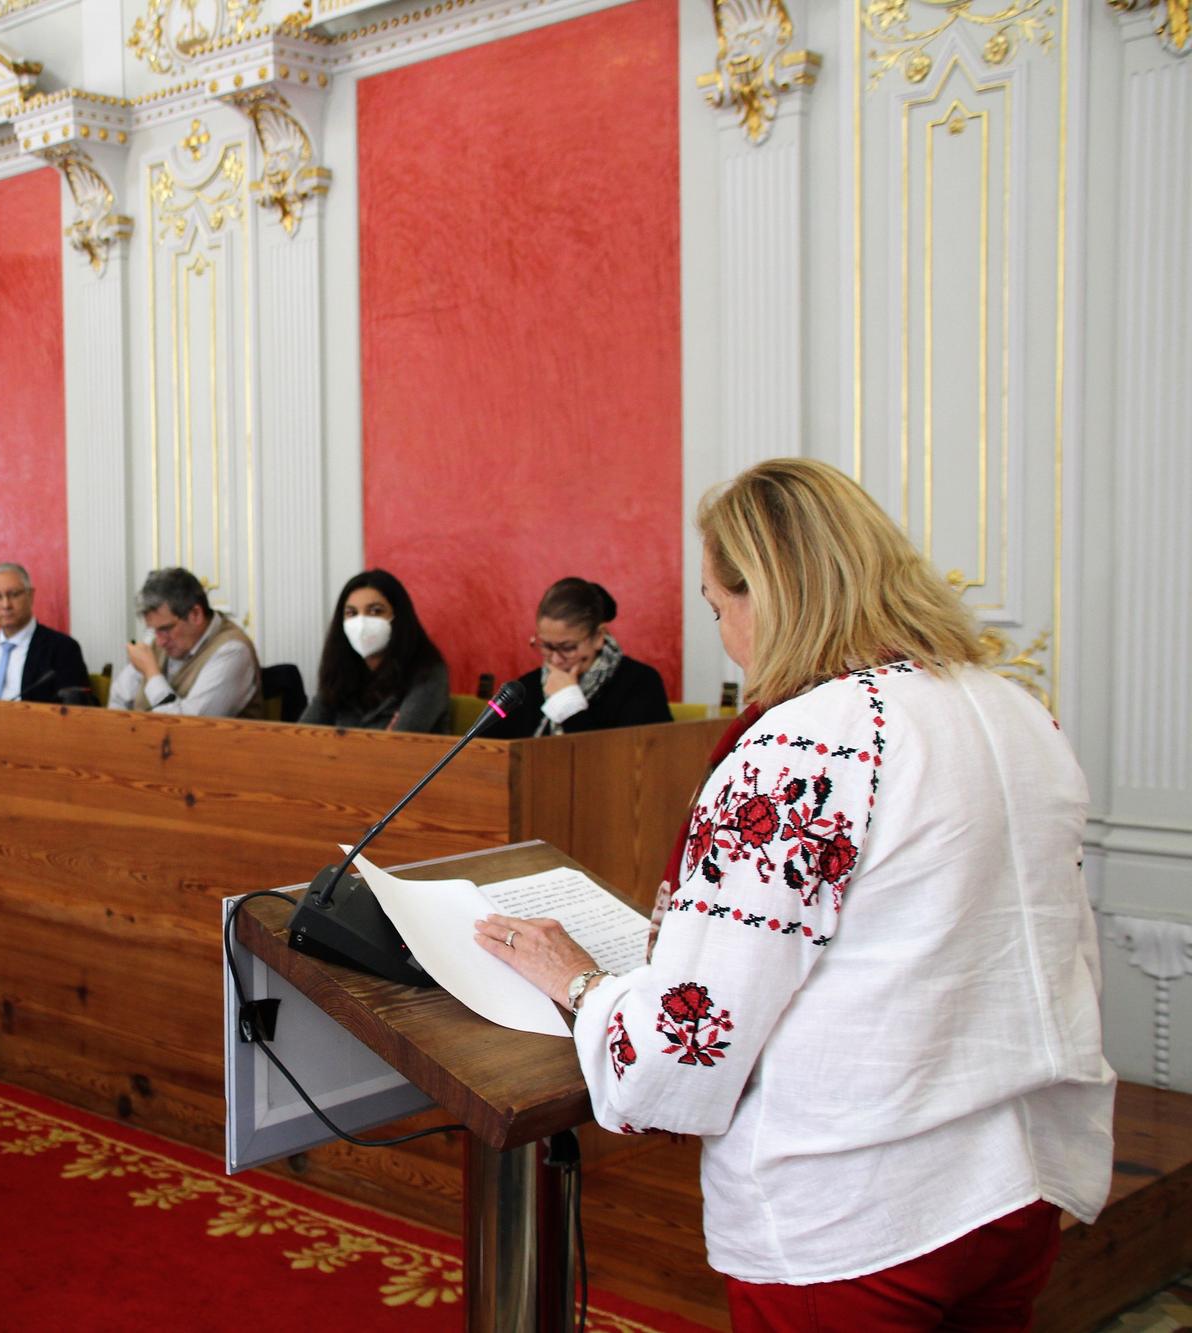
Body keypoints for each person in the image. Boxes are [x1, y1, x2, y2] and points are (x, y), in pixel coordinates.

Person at [473, 459, 1113, 1329]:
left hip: (860, 1209)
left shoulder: (808, 744)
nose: (728, 638)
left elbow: (683, 1047)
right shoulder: (1012, 710)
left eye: (718, 607)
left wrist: (582, 983)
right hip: (1013, 1176)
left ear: (765, 594)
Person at [483, 577, 672, 739]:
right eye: (547, 646)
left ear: (598, 637)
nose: (555, 660)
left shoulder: (639, 683)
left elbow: (626, 764)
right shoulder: (526, 689)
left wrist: (568, 706)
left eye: (568, 648)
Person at [297, 570, 450, 733]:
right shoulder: (340, 670)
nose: (361, 622)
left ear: (399, 617)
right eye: (352, 613)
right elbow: (302, 734)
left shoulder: (429, 672)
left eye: (375, 611)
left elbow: (399, 745)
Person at [107, 567, 262, 717]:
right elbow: (118, 700)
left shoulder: (233, 651)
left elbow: (186, 730)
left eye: (166, 629)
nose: (159, 641)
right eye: (154, 631)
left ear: (195, 614)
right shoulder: (158, 641)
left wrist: (151, 673)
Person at [0, 562, 89, 702]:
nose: (6, 605)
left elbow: (75, 708)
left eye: (13, 595)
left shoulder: (62, 649)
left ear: (31, 595)